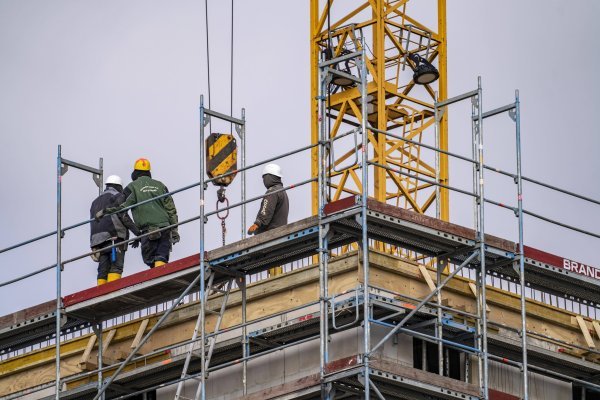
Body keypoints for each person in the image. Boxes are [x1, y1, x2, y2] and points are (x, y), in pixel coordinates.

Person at [103, 158, 180, 268]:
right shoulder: (161, 186)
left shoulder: (132, 186)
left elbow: (121, 206)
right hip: (165, 228)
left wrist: (109, 206)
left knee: (150, 258)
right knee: (161, 256)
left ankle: (156, 278)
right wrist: (174, 230)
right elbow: (171, 210)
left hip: (147, 230)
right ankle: (159, 277)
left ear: (135, 173)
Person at [90, 175, 140, 286]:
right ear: (119, 186)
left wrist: (93, 243)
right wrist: (137, 232)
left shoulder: (95, 202)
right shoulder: (118, 196)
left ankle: (100, 292)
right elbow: (123, 216)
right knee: (116, 266)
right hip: (114, 236)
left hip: (98, 240)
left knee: (103, 268)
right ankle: (112, 290)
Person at [247, 163, 289, 235]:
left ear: (269, 177)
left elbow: (266, 210)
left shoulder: (272, 191)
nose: (263, 181)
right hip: (281, 232)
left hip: (270, 234)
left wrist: (257, 223)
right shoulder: (282, 191)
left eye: (264, 178)